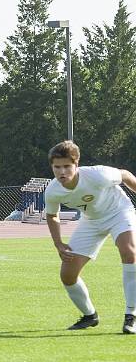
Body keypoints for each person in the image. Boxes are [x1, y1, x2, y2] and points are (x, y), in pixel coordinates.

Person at [44, 140, 136, 334]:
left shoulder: (98, 175)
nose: (62, 172)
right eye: (57, 167)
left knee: (129, 251)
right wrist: (58, 244)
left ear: (76, 164)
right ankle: (90, 315)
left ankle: (131, 315)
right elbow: (52, 215)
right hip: (91, 221)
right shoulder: (53, 190)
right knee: (67, 274)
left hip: (119, 212)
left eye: (67, 166)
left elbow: (125, 175)